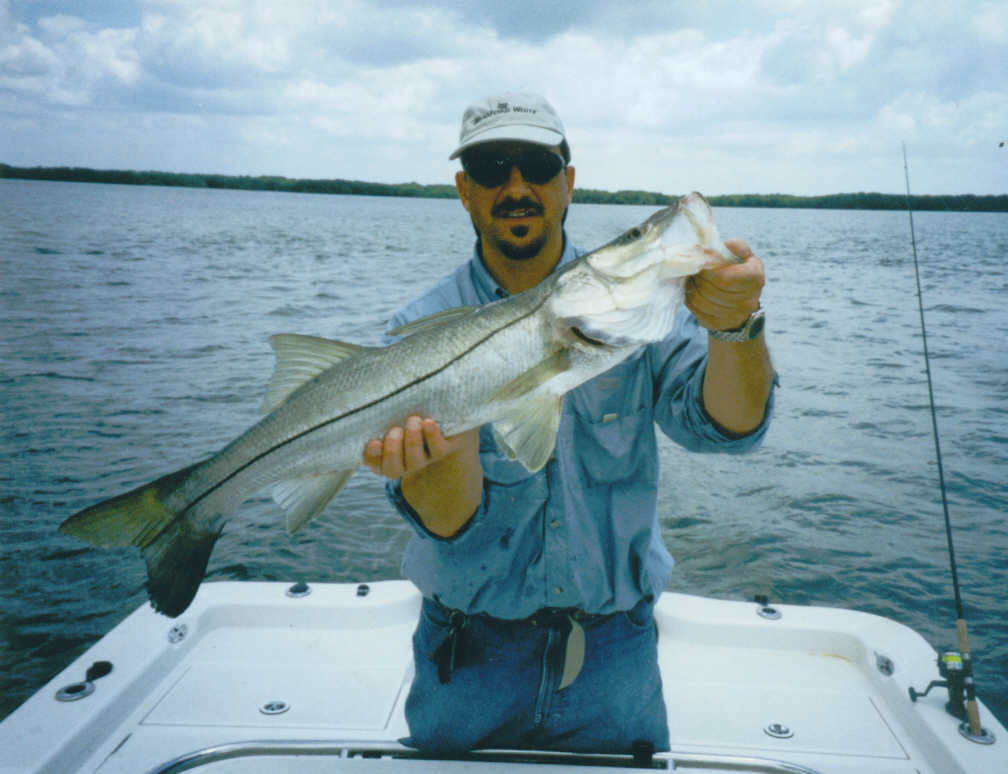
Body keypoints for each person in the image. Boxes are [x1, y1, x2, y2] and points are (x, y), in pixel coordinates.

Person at [363, 92, 775, 755]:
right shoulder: (418, 330)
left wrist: (737, 327)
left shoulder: (644, 310)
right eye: (493, 169)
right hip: (467, 659)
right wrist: (443, 444)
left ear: (569, 183)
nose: (516, 187)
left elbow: (729, 427)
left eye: (536, 165)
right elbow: (444, 521)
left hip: (616, 656)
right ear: (464, 191)